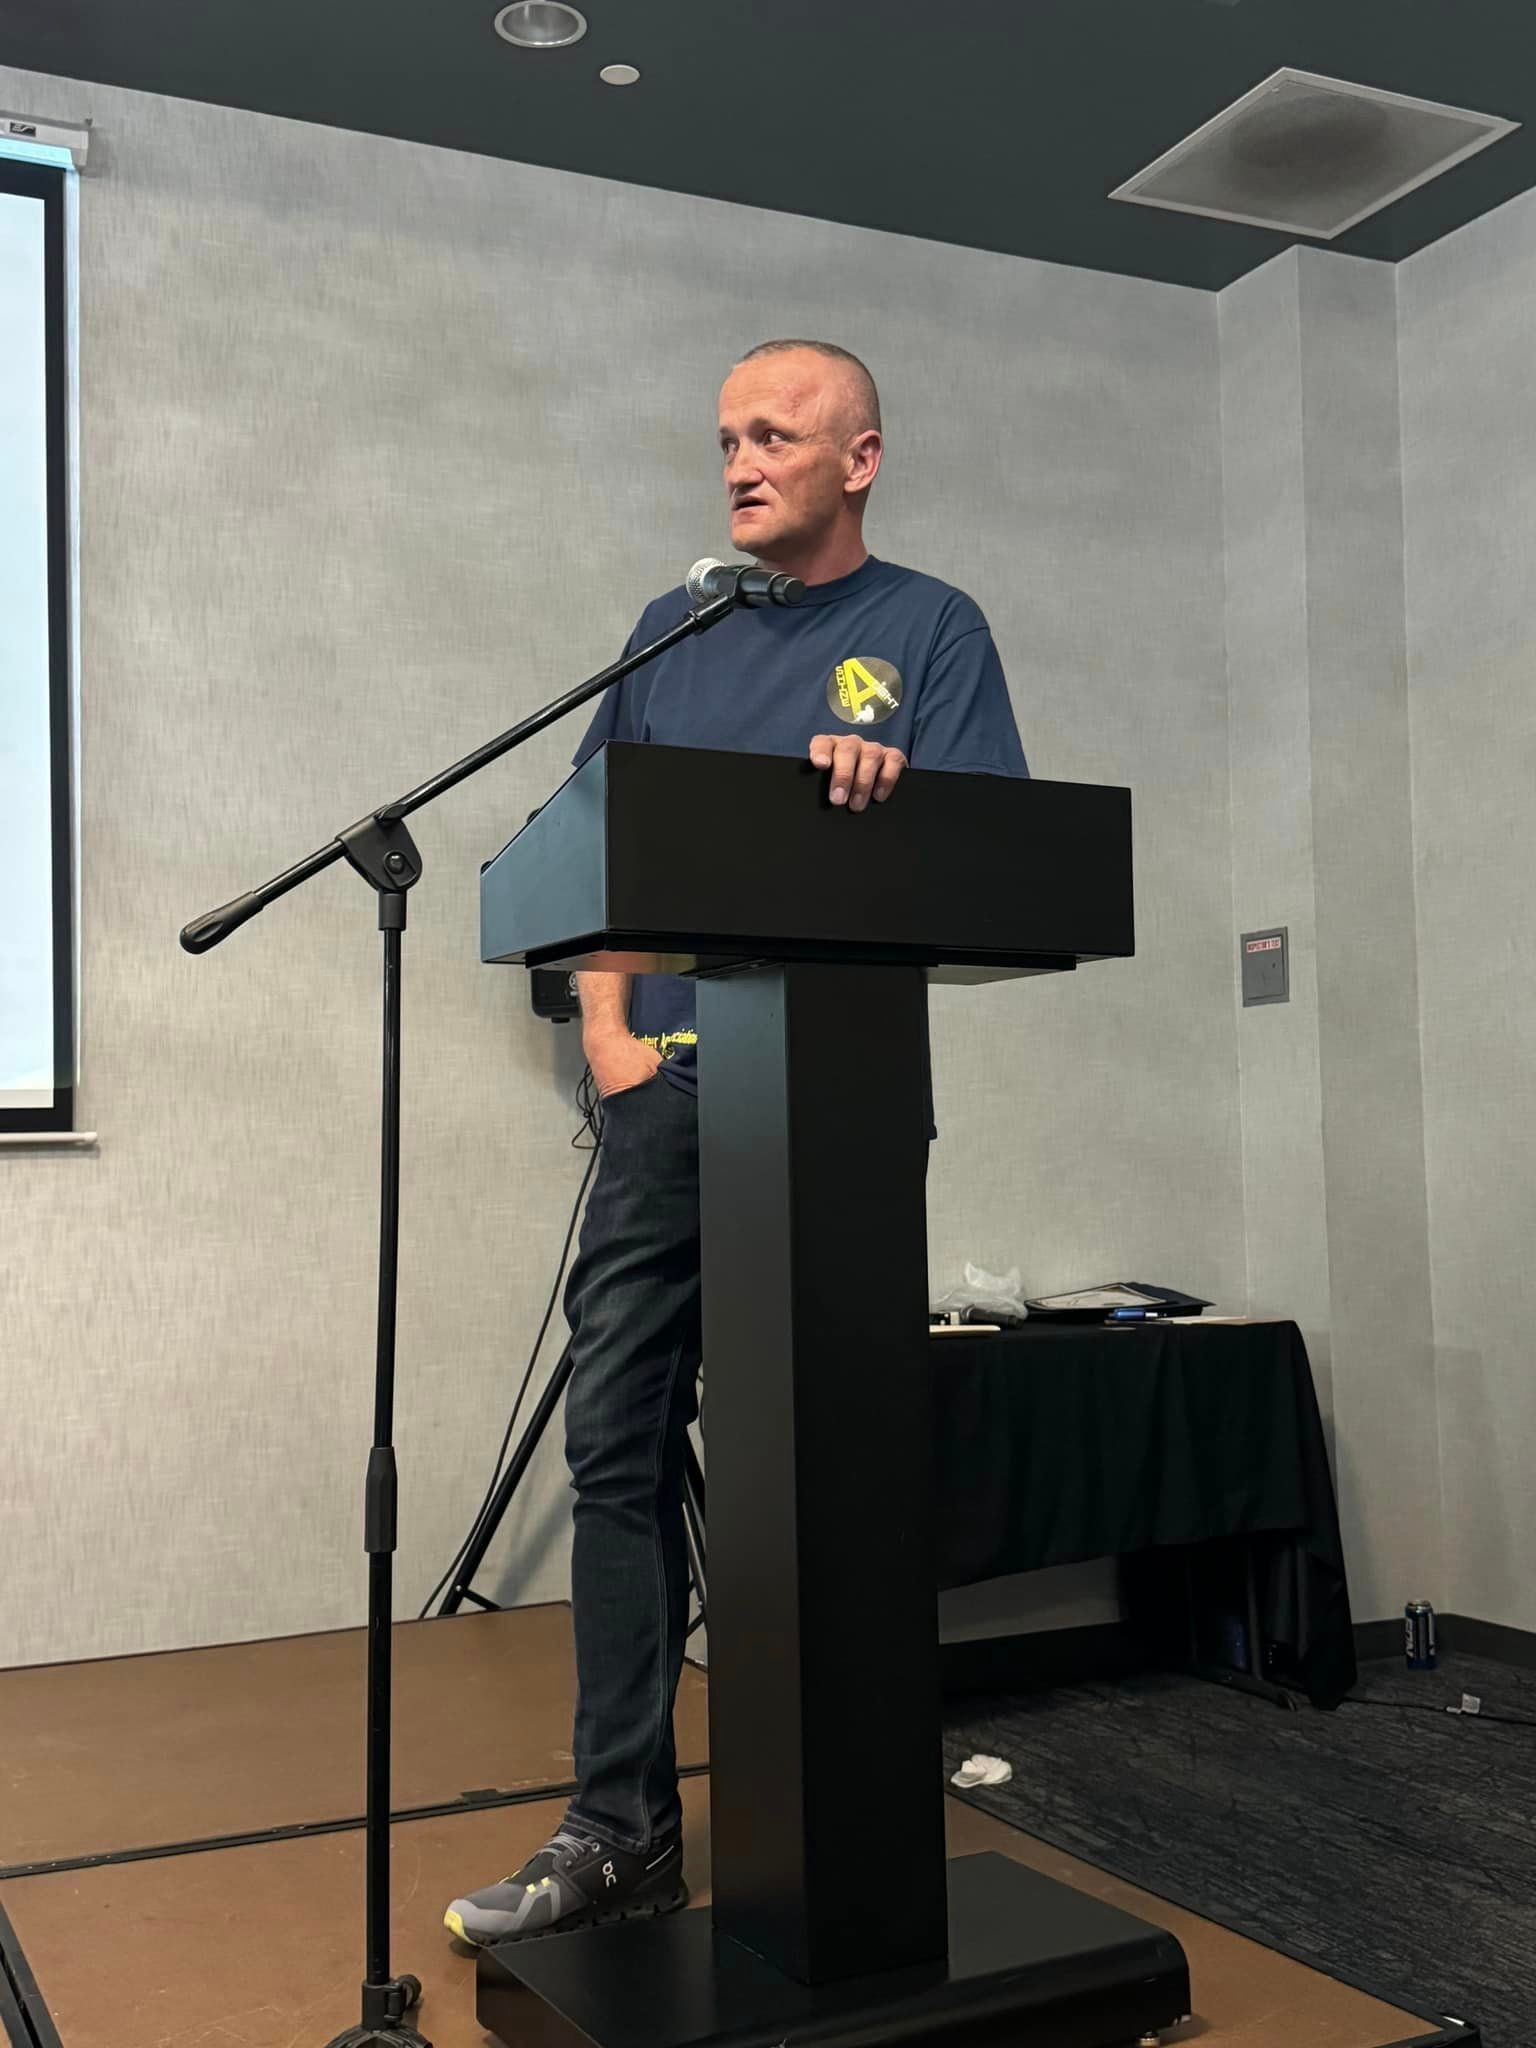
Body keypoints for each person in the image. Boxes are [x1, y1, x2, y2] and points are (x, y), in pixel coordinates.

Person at [444, 339, 1028, 1948]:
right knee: (615, 1443)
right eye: (724, 440)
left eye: (774, 435)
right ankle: (619, 1830)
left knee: (831, 1460)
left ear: (862, 459)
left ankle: (850, 1827)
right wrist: (612, 1042)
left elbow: (994, 860)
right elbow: (588, 849)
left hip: (838, 1106)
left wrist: (897, 795)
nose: (739, 464)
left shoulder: (931, 628)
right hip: (668, 1100)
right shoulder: (675, 628)